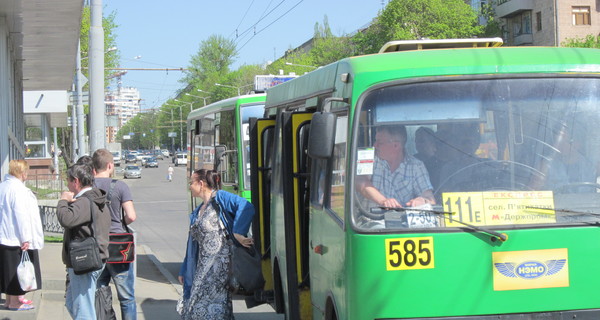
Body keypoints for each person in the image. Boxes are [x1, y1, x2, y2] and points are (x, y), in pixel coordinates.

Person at [178, 169, 254, 319]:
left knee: (207, 312)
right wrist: (184, 269)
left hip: (220, 271)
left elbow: (246, 206)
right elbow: (193, 245)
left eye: (191, 183)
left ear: (201, 184)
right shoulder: (198, 211)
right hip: (202, 271)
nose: (189, 187)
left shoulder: (220, 197)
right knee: (194, 310)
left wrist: (238, 232)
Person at [57, 163, 111, 319]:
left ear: (76, 181)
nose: (67, 185)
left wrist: (63, 201)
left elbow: (66, 219)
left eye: (68, 181)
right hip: (92, 258)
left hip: (84, 262)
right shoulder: (95, 198)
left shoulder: (84, 202)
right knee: (72, 302)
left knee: (83, 310)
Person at [92, 148, 138, 320]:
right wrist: (121, 221)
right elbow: (131, 216)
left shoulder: (88, 186)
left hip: (95, 245)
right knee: (126, 297)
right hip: (118, 246)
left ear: (93, 167)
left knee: (98, 292)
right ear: (110, 165)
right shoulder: (120, 186)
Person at [0, 160, 43, 311]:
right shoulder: (17, 189)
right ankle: (14, 303)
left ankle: (9, 301)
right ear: (22, 172)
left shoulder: (3, 186)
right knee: (17, 271)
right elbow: (21, 215)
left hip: (5, 236)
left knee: (8, 269)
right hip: (16, 237)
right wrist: (26, 238)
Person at [357, 125, 435, 208]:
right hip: (370, 218)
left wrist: (422, 200)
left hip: (402, 220)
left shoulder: (416, 166)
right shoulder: (368, 157)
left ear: (396, 146)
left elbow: (430, 199)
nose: (375, 145)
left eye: (379, 142)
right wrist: (383, 201)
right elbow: (360, 182)